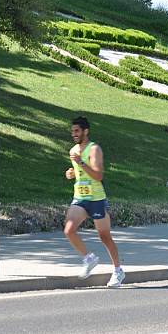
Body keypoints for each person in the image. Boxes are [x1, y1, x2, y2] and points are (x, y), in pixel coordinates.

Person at [63, 116, 125, 288]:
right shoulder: (73, 150)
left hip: (96, 199)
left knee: (104, 236)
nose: (74, 134)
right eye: (72, 131)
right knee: (69, 230)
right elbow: (81, 172)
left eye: (77, 131)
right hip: (80, 198)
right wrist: (72, 173)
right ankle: (89, 258)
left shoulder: (94, 149)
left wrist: (80, 163)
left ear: (85, 131)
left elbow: (98, 175)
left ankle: (118, 271)